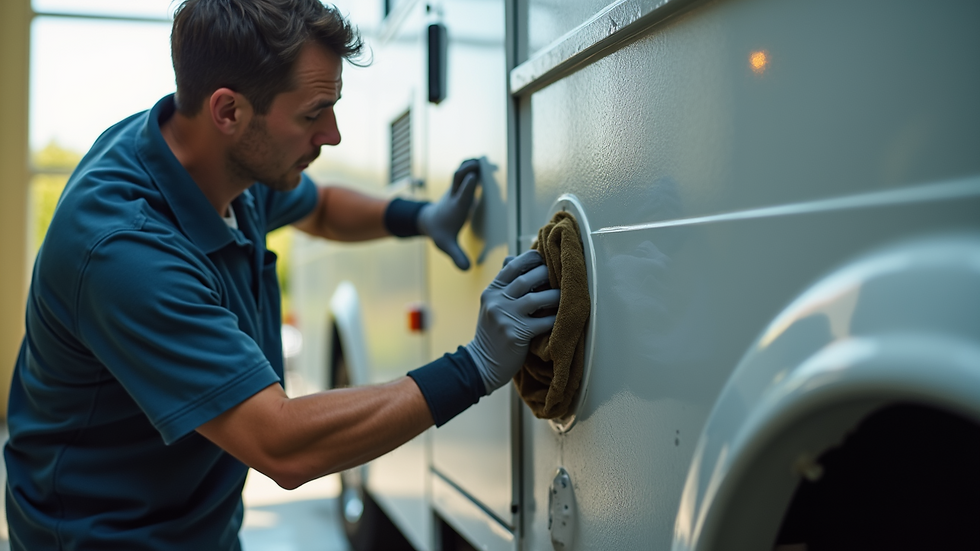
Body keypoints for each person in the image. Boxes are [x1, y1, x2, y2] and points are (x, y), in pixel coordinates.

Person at [3, 1, 559, 549]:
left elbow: (317, 207)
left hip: (197, 526)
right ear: (228, 112)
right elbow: (283, 443)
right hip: (104, 538)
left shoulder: (213, 158)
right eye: (313, 113)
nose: (334, 134)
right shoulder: (125, 252)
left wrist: (421, 217)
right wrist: (475, 367)